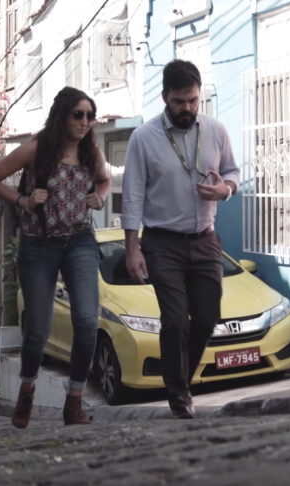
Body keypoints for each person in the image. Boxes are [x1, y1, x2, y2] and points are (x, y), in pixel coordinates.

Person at [0, 87, 111, 428]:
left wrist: (98, 196)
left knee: (86, 321)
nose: (84, 122)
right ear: (62, 116)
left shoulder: (91, 153)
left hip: (79, 241)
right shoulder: (37, 150)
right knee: (38, 329)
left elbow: (105, 181)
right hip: (38, 245)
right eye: (78, 115)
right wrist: (23, 200)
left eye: (89, 116)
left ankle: (75, 401)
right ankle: (27, 390)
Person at [122, 60, 239, 419]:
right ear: (164, 98)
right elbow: (132, 195)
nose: (187, 108)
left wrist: (226, 189)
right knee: (175, 320)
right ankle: (179, 395)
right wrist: (132, 249)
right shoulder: (143, 138)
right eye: (179, 101)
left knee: (206, 318)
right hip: (162, 242)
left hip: (205, 239)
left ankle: (180, 382)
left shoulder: (216, 130)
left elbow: (233, 171)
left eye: (192, 100)